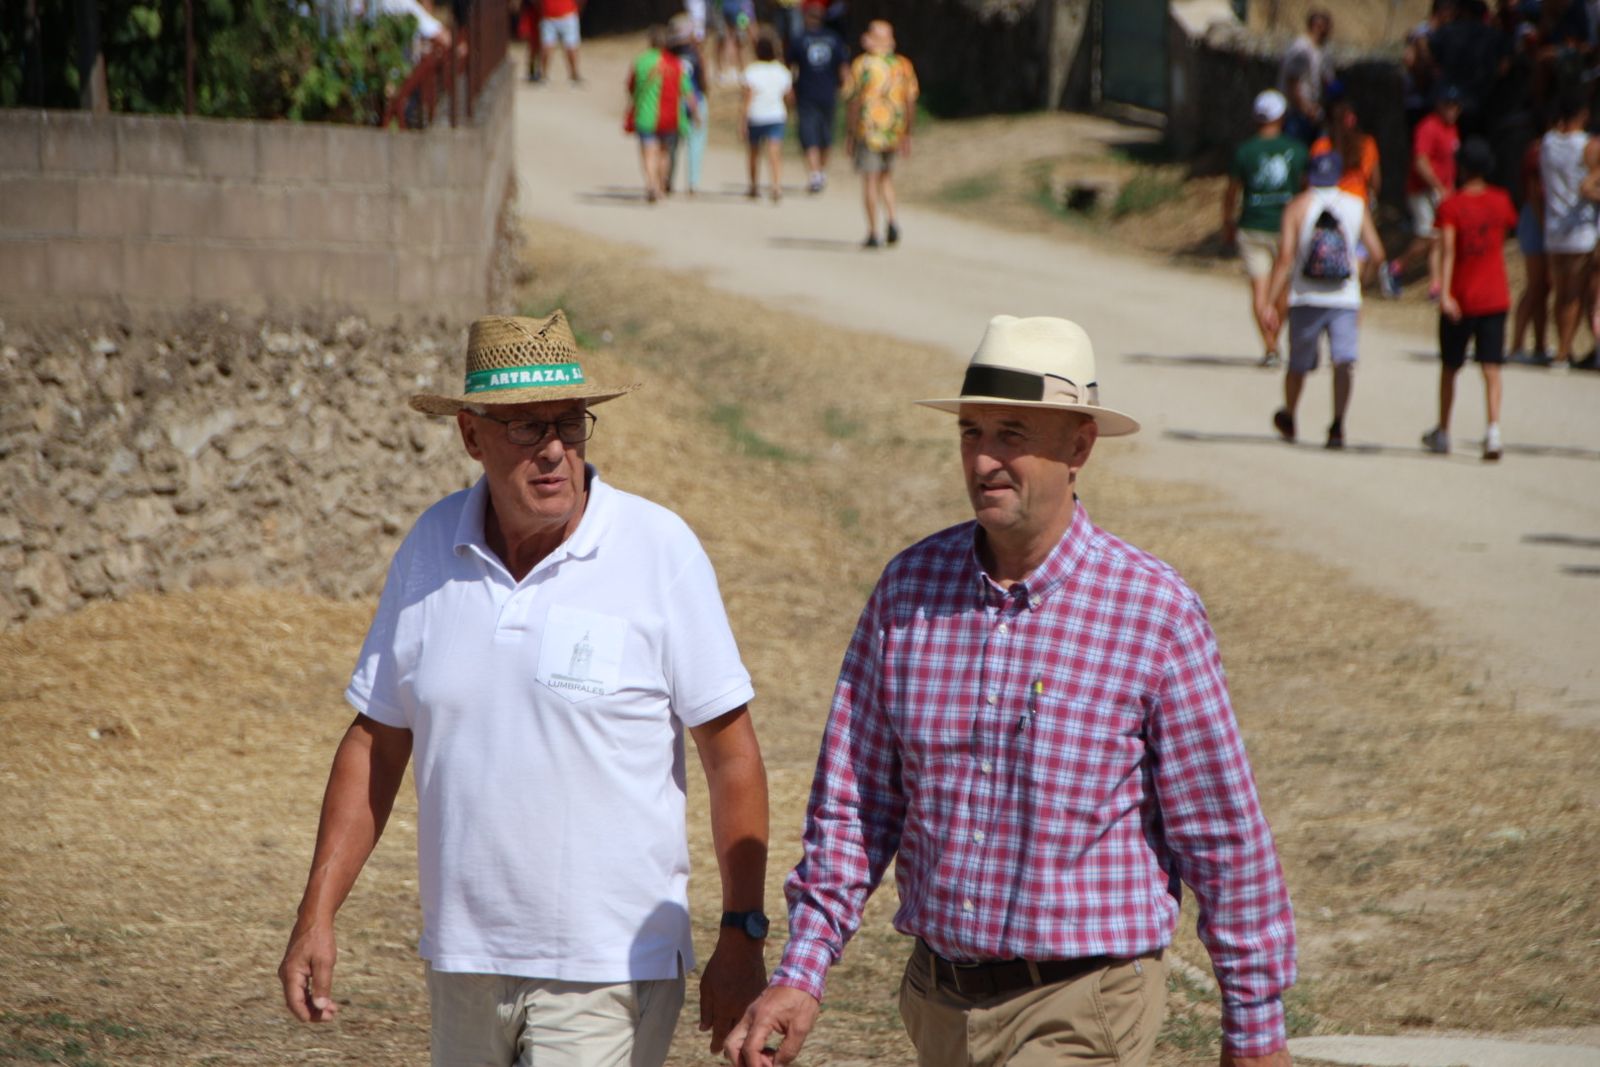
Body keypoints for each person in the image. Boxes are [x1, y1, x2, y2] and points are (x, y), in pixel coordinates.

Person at [724, 314, 1297, 1067]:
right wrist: (802, 971)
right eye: (972, 433)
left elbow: (1221, 833)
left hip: (1083, 1002)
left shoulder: (1152, 611)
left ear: (1079, 447)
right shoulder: (910, 590)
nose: (985, 460)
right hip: (937, 1001)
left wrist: (1254, 1026)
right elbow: (855, 804)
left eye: (1012, 435)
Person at [277, 311, 770, 1067]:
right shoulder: (431, 545)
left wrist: (741, 932)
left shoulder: (657, 549)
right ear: (470, 436)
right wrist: (316, 914)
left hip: (608, 966)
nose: (553, 449)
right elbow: (376, 740)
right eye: (526, 426)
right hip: (463, 959)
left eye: (570, 423)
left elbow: (731, 755)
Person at [1261, 151, 1386, 450]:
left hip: (1305, 297)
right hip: (1345, 298)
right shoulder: (1356, 205)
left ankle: (1290, 416)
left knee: (1298, 364)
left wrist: (1269, 300)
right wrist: (1361, 282)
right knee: (1343, 361)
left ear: (1309, 175)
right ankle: (1337, 425)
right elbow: (1378, 253)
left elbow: (1285, 258)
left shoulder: (1297, 206)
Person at [1424, 138, 1517, 460]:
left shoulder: (1451, 205)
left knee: (1450, 367)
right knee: (1491, 367)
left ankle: (1443, 431)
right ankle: (1493, 431)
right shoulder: (1501, 200)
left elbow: (1448, 250)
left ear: (1461, 167)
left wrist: (1444, 293)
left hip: (1462, 297)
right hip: (1495, 295)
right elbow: (1504, 235)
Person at [1225, 89, 1310, 368]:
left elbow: (1231, 192)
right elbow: (1306, 190)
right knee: (1282, 292)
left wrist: (1227, 222)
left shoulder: (1245, 151)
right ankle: (1273, 340)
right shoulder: (1297, 150)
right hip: (1287, 229)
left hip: (1252, 226)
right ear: (1282, 117)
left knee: (1260, 291)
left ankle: (1270, 346)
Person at [845, 19, 918, 248]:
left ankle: (873, 231)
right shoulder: (903, 65)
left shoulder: (862, 65)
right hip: (894, 130)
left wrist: (850, 133)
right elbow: (910, 101)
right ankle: (892, 219)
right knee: (886, 178)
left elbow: (854, 100)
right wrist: (907, 132)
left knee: (870, 180)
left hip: (869, 130)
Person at [1540, 89, 1599, 370]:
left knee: (1560, 293)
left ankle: (1562, 350)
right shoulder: (1589, 146)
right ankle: (1564, 352)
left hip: (1554, 225)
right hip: (1580, 228)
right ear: (1583, 114)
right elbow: (1589, 185)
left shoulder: (1547, 143)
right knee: (1574, 295)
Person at [1386, 87, 1463, 298]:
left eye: (1456, 106)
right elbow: (1420, 162)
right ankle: (1397, 266)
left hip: (1442, 191)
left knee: (1437, 237)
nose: (1452, 110)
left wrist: (1450, 189)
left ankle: (1435, 285)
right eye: (1448, 105)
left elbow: (1450, 164)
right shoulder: (1428, 127)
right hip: (1422, 190)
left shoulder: (1452, 129)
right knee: (1429, 235)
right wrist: (1439, 187)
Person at [628, 26, 699, 204]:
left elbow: (631, 87)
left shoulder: (641, 61)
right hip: (670, 117)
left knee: (648, 152)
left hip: (645, 115)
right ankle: (660, 186)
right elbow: (688, 92)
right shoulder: (675, 63)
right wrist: (696, 113)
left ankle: (650, 184)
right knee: (664, 153)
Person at [787, 0, 849, 194]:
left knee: (814, 135)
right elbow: (844, 67)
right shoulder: (833, 38)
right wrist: (846, 87)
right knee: (821, 134)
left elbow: (790, 67)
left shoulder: (800, 38)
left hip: (810, 93)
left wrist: (790, 89)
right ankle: (817, 172)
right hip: (823, 93)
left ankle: (817, 172)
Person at [1511, 132, 1551, 363]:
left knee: (1544, 287)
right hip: (1536, 218)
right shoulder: (1538, 152)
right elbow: (1534, 193)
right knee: (1535, 284)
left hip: (1545, 217)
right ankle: (1516, 344)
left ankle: (1540, 345)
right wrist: (1546, 227)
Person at [741, 33, 794, 202]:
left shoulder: (751, 71)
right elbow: (789, 95)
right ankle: (776, 185)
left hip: (756, 115)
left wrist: (743, 120)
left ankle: (753, 185)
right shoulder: (782, 71)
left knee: (753, 152)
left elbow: (748, 97)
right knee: (774, 153)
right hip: (776, 115)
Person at [666, 13, 711, 196]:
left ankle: (668, 180)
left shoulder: (668, 57)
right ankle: (692, 183)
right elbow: (703, 80)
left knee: (672, 146)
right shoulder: (695, 56)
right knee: (695, 144)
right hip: (696, 100)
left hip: (673, 103)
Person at [1278, 8, 1333, 144]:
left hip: (1313, 111)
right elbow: (1293, 83)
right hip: (1298, 113)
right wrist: (1306, 109)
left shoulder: (1321, 50)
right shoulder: (1301, 49)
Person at [539, 0, 585, 85]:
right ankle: (543, 75)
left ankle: (574, 75)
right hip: (549, 16)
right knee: (547, 47)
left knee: (571, 47)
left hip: (567, 15)